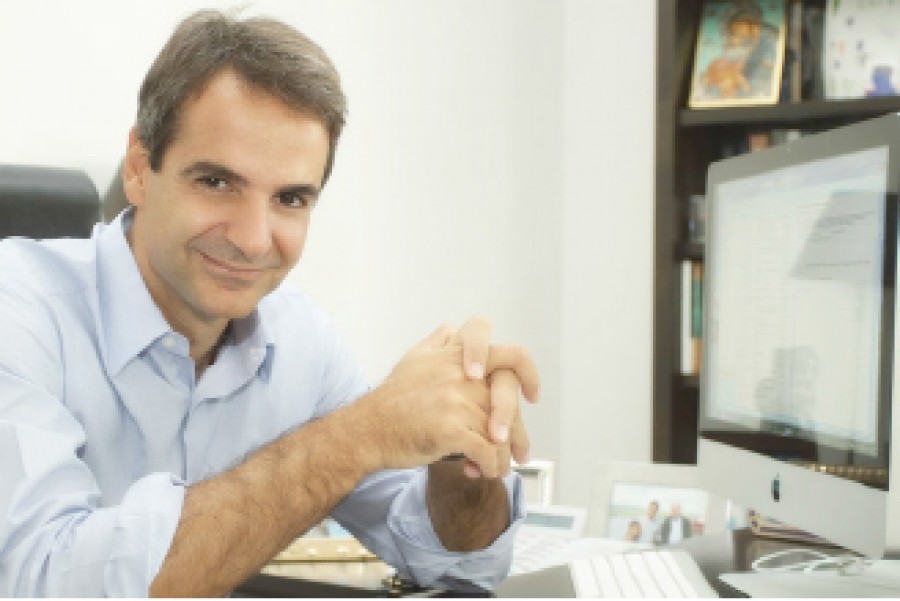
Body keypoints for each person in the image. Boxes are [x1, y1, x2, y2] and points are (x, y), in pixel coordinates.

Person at [0, 10, 541, 597]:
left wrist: (459, 450)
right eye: (217, 182)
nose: (255, 240)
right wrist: (356, 437)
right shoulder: (19, 308)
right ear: (138, 169)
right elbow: (43, 581)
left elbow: (460, 568)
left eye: (290, 199)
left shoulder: (299, 341)